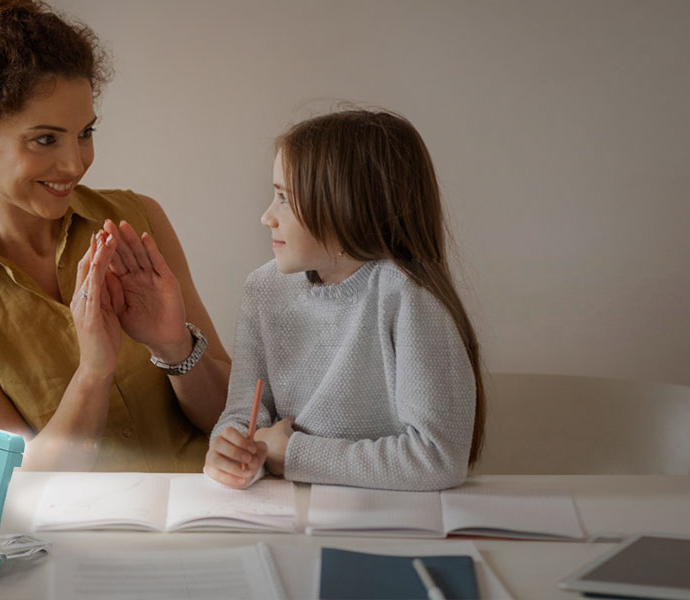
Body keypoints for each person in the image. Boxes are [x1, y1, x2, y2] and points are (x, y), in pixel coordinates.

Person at [0, 0, 231, 472]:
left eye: (84, 133)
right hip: (80, 540)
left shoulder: (138, 220)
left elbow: (231, 419)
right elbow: (16, 484)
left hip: (207, 512)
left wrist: (174, 346)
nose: (75, 164)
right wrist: (94, 373)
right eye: (45, 139)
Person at [203, 109, 486, 491]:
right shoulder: (263, 289)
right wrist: (231, 450)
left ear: (346, 205)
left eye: (284, 198)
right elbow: (243, 415)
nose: (266, 216)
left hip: (391, 523)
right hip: (286, 515)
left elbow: (438, 458)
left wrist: (294, 455)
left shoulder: (407, 298)